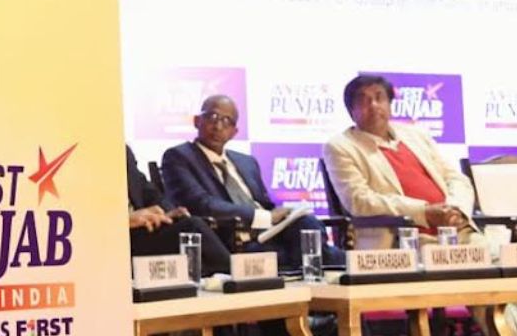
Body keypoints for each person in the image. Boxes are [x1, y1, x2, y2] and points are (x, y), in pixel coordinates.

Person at [162, 95, 344, 268]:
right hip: (234, 239)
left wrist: (286, 214)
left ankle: (332, 261)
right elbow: (201, 204)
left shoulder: (246, 162)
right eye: (212, 117)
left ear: (234, 132)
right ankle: (339, 262)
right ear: (197, 121)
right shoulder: (179, 157)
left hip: (270, 234)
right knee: (313, 254)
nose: (218, 126)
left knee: (307, 224)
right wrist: (265, 217)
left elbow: (265, 204)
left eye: (227, 121)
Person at [323, 74, 480, 249]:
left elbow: (456, 178)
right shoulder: (341, 146)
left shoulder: (416, 135)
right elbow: (360, 201)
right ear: (351, 111)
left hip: (456, 233)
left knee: (495, 252)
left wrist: (455, 210)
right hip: (405, 240)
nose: (374, 105)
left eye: (379, 98)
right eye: (364, 101)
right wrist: (423, 212)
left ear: (390, 105)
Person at [127, 145, 231, 276]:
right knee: (192, 227)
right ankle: (236, 276)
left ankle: (225, 279)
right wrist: (125, 219)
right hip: (113, 238)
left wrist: (169, 213)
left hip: (142, 231)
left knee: (187, 228)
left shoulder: (122, 151)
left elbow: (148, 191)